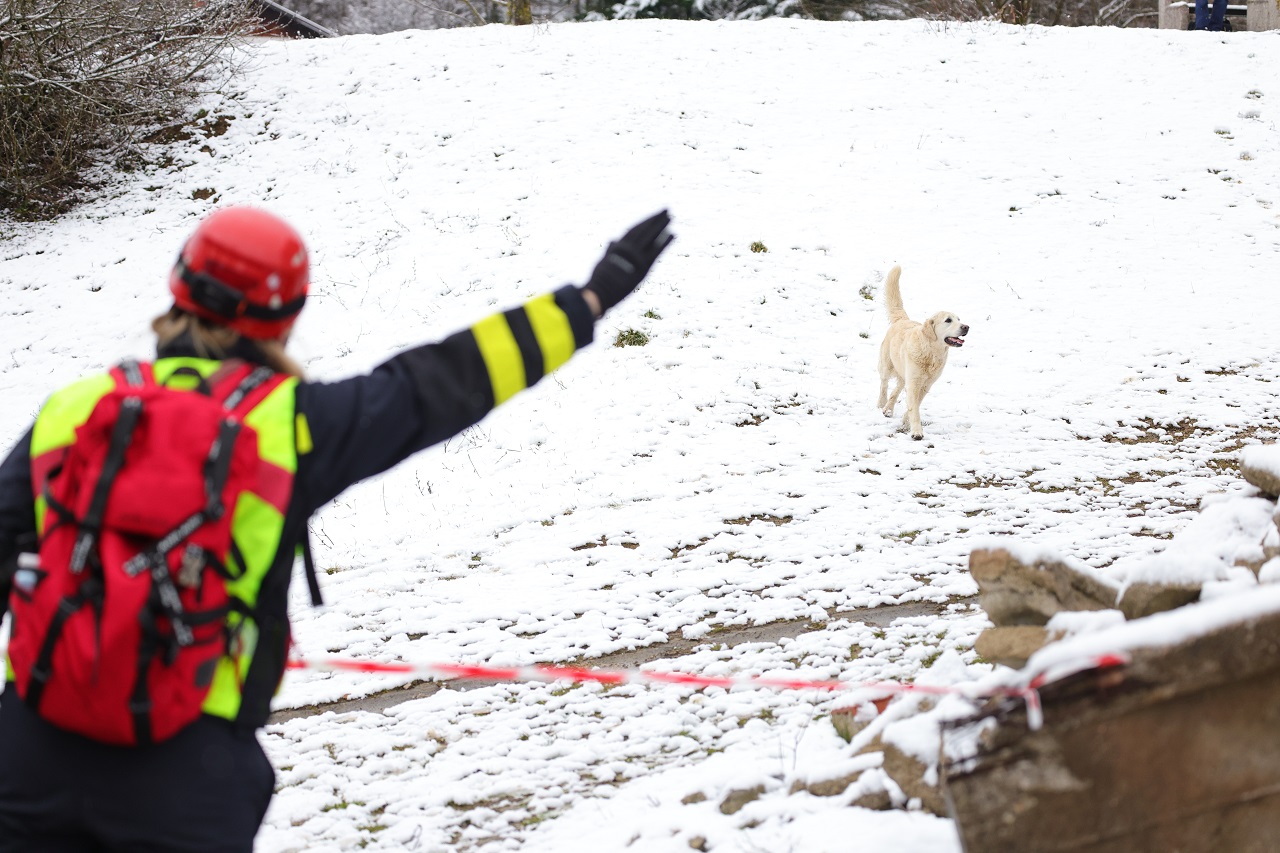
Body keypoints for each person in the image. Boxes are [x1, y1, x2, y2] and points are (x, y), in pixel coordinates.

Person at [0, 204, 674, 851]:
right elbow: (437, 383)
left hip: (30, 745)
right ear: (285, 317)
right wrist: (588, 301)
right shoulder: (290, 423)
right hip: (188, 770)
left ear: (179, 286)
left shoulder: (74, 408)